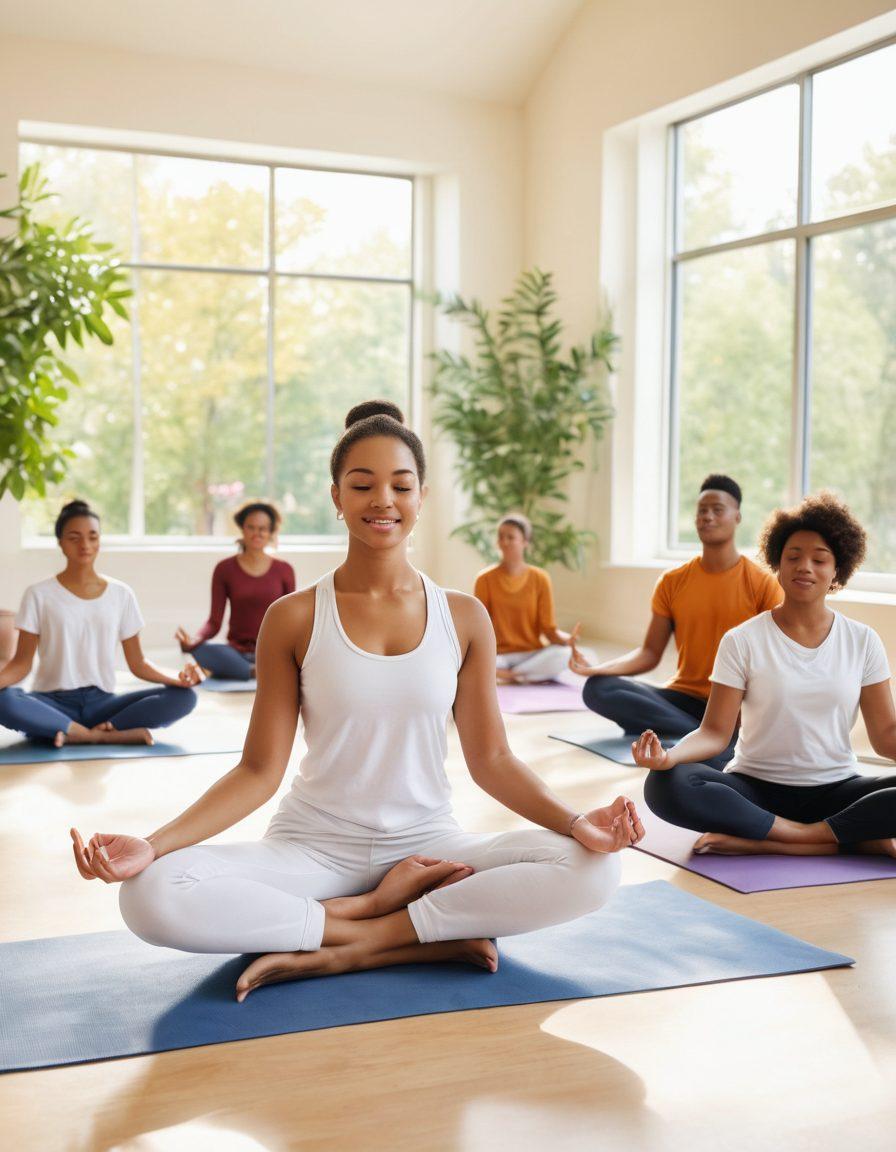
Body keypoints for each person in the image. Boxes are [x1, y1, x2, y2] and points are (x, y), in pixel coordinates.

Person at [71, 401, 644, 1001]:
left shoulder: (464, 617)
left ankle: (360, 942)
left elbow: (493, 761)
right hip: (313, 847)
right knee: (148, 894)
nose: (383, 501)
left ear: (422, 497)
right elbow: (258, 771)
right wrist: (155, 845)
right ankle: (391, 920)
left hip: (429, 846)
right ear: (336, 497)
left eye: (401, 485)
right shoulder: (291, 617)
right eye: (362, 484)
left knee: (595, 867)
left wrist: (581, 824)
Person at [633, 492, 896, 858]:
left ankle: (788, 841)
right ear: (777, 563)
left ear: (837, 570)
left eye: (819, 560)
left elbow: (886, 738)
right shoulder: (742, 640)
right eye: (794, 557)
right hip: (755, 792)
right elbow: (714, 733)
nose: (805, 567)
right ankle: (836, 839)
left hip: (837, 790)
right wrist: (669, 758)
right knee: (667, 784)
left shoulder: (863, 640)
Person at [569, 475, 781, 769]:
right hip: (681, 697)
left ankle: (709, 735)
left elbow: (775, 661)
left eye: (717, 509)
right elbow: (649, 654)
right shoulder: (672, 581)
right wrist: (596, 668)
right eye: (701, 510)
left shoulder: (762, 584)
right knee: (598, 688)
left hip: (732, 706)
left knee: (731, 731)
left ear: (737, 517)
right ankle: (701, 737)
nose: (707, 516)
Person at [0, 500, 199, 747]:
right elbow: (20, 664)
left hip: (103, 704)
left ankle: (74, 732)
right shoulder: (38, 594)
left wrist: (177, 678)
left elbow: (138, 663)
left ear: (99, 540)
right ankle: (99, 735)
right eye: (74, 537)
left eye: (92, 537)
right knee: (4, 700)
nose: (85, 545)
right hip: (50, 703)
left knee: (184, 697)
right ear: (60, 542)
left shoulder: (121, 594)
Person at [176, 502, 295, 681]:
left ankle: (251, 670)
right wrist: (196, 639)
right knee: (200, 649)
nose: (257, 533)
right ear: (242, 529)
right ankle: (252, 672)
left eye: (263, 528)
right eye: (251, 527)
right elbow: (214, 622)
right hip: (236, 652)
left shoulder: (284, 569)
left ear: (271, 532)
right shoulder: (224, 569)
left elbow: (290, 619)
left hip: (273, 651)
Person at [473, 514, 576, 684]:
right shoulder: (484, 579)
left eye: (510, 537)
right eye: (500, 537)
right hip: (499, 656)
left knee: (566, 654)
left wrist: (567, 641)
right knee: (471, 663)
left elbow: (548, 628)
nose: (504, 541)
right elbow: (480, 628)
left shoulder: (540, 578)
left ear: (525, 542)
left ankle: (510, 675)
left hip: (531, 653)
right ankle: (520, 675)